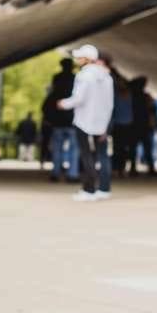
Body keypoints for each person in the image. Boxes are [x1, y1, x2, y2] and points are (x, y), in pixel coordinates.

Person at [58, 45, 114, 201]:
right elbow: (110, 103)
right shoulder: (106, 77)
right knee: (101, 155)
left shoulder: (84, 76)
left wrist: (63, 104)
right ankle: (104, 188)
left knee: (86, 155)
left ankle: (89, 189)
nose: (77, 60)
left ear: (87, 59)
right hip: (101, 122)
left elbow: (78, 98)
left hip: (84, 121)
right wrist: (106, 124)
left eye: (80, 57)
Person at [46, 58, 79, 182]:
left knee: (57, 147)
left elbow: (52, 97)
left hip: (58, 119)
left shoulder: (57, 79)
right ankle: (72, 174)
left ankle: (56, 172)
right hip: (73, 118)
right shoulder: (76, 79)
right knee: (74, 148)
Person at [128, 76, 157, 177]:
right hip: (143, 126)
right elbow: (152, 110)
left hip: (135, 126)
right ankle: (150, 168)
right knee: (147, 148)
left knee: (135, 148)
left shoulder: (132, 96)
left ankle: (134, 168)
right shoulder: (145, 97)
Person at [110, 77, 134, 176]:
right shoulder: (129, 96)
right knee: (122, 148)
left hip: (120, 125)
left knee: (119, 148)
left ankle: (118, 168)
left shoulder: (115, 96)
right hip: (125, 125)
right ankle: (120, 168)